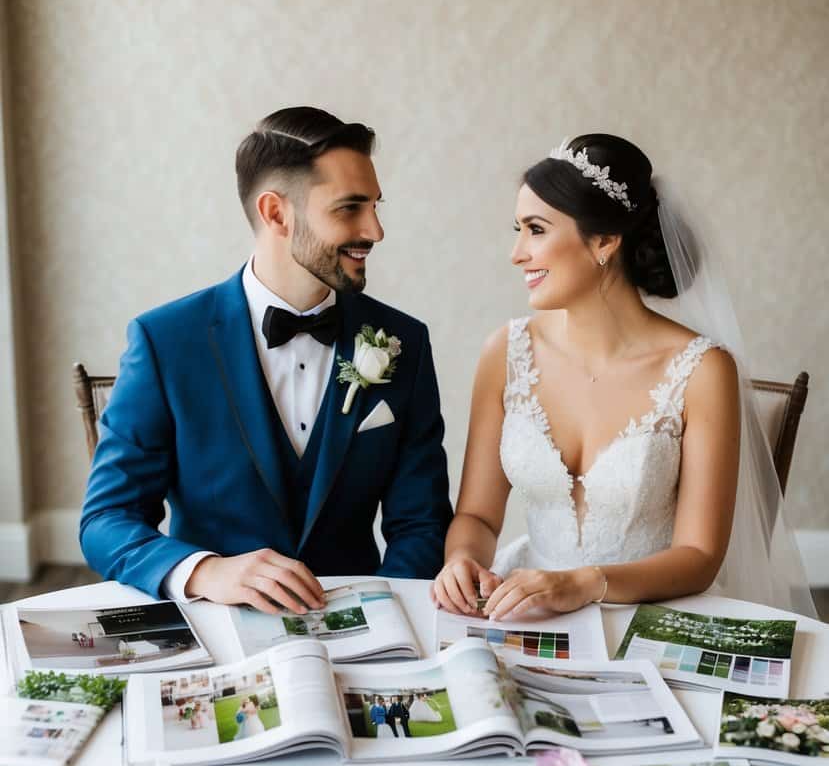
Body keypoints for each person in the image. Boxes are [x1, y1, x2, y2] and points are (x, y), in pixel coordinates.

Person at [80, 107, 452, 612]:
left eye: (375, 206)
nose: (376, 230)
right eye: (350, 208)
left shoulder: (403, 342)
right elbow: (106, 520)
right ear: (276, 213)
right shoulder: (165, 341)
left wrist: (379, 613)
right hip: (216, 629)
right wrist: (206, 571)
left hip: (365, 630)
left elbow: (422, 524)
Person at [434, 134, 813, 619]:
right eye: (519, 229)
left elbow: (698, 557)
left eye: (535, 229)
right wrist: (463, 561)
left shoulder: (703, 370)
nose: (517, 253)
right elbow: (478, 517)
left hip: (654, 615)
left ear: (605, 241)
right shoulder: (506, 352)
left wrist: (585, 584)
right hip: (532, 608)